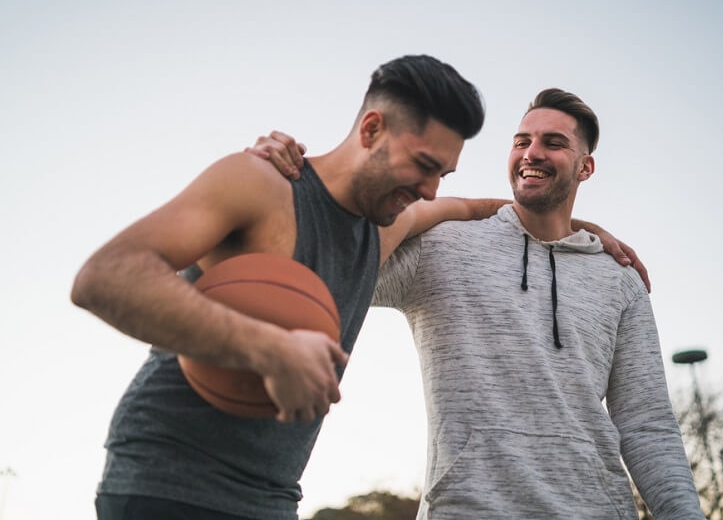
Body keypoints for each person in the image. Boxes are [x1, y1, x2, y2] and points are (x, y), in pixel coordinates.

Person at [71, 54, 493, 520]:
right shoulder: (260, 183)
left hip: (271, 498)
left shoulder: (385, 226)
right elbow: (104, 276)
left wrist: (572, 228)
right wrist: (270, 348)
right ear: (371, 130)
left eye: (443, 175)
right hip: (168, 482)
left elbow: (468, 207)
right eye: (424, 165)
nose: (432, 189)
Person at [256, 89, 700, 518]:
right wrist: (287, 181)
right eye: (522, 141)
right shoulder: (444, 245)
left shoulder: (619, 278)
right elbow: (328, 263)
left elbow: (647, 426)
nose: (532, 153)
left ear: (585, 167)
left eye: (554, 143)